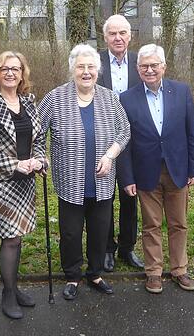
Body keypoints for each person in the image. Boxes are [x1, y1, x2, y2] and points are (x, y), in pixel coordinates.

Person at [38, 44, 130, 301]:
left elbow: (124, 131)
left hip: (101, 181)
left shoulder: (109, 98)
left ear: (98, 70)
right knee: (70, 232)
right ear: (72, 69)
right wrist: (39, 155)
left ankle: (96, 273)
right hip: (70, 180)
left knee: (100, 230)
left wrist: (110, 155)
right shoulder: (55, 98)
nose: (86, 72)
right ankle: (72, 275)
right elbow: (36, 131)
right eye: (81, 67)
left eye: (91, 67)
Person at [118, 43, 194, 294]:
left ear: (164, 66)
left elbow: (192, 133)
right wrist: (127, 177)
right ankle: (153, 272)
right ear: (137, 69)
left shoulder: (182, 91)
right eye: (144, 66)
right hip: (145, 171)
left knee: (179, 223)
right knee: (151, 224)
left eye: (154, 65)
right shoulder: (126, 98)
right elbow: (124, 140)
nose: (150, 70)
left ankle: (180, 270)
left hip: (178, 169)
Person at [0, 51, 47, 318]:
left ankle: (13, 288)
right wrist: (14, 164)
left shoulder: (28, 101)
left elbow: (38, 136)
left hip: (25, 180)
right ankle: (7, 293)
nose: (10, 73)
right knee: (11, 237)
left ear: (22, 73)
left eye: (16, 69)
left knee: (18, 237)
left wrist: (39, 160)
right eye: (5, 69)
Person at [97, 14, 144, 271]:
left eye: (122, 33)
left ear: (130, 36)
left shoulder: (140, 63)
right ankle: (106, 248)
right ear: (105, 37)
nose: (118, 38)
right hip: (102, 138)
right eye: (112, 33)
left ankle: (127, 247)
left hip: (133, 141)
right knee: (104, 198)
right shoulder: (95, 62)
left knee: (130, 196)